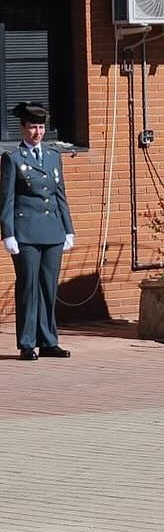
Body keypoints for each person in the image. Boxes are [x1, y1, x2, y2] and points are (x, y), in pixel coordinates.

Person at [2, 102, 75, 361]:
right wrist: (8, 233)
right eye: (32, 127)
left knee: (48, 287)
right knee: (28, 287)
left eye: (41, 127)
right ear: (22, 128)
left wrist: (68, 229)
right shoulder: (13, 159)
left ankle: (48, 341)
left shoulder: (53, 156)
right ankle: (27, 342)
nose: (37, 132)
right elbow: (7, 199)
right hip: (26, 232)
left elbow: (60, 195)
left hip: (53, 230)